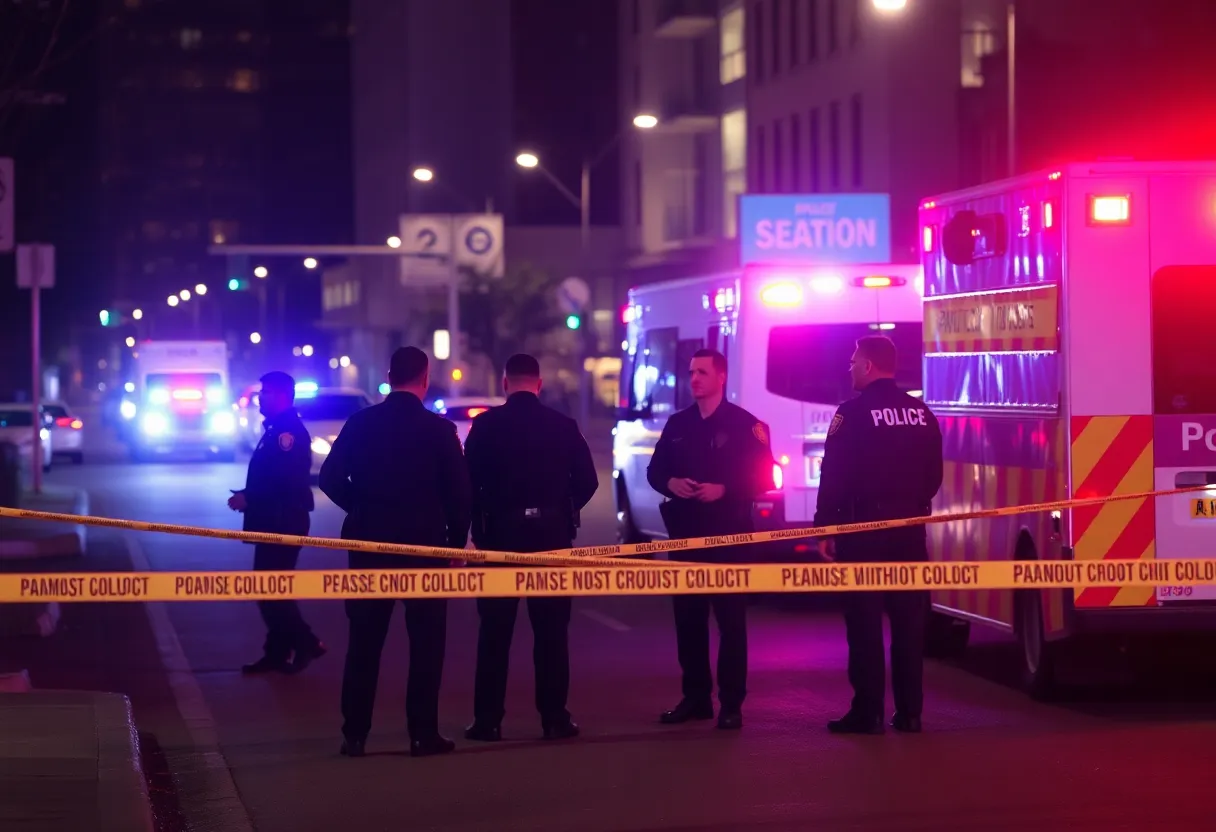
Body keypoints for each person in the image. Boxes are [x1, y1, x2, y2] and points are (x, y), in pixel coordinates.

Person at [318, 347, 472, 759]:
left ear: (389, 376)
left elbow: (330, 477)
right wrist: (455, 545)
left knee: (364, 642)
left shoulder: (361, 423)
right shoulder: (439, 431)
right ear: (424, 379)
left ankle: (355, 735)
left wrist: (362, 507)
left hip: (368, 545)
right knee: (426, 645)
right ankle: (422, 734)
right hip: (425, 548)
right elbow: (459, 496)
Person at [462, 353, 599, 743]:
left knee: (494, 636)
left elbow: (466, 484)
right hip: (551, 542)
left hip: (498, 543)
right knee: (552, 635)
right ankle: (554, 718)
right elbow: (588, 481)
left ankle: (487, 721)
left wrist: (479, 522)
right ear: (538, 385)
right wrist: (562, 509)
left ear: (505, 384)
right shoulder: (564, 426)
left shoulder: (485, 427)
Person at [814, 335, 944, 735]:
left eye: (853, 361)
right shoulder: (921, 413)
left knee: (865, 623)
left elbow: (833, 475)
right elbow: (934, 476)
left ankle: (868, 712)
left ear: (868, 366)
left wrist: (826, 526)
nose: (850, 367)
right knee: (908, 624)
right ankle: (910, 714)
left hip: (863, 532)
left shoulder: (851, 414)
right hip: (909, 532)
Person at [645, 348, 774, 730]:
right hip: (685, 537)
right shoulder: (678, 424)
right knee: (689, 620)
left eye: (702, 372)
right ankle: (696, 697)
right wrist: (671, 482)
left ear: (721, 377)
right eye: (691, 372)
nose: (695, 379)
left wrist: (725, 489)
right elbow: (655, 471)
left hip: (729, 537)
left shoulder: (747, 425)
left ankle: (731, 703)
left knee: (731, 622)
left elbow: (765, 479)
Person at [227, 370, 325, 675]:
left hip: (283, 523)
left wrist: (250, 498)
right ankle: (277, 652)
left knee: (271, 590)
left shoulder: (288, 434)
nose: (260, 397)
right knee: (270, 589)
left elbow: (285, 481)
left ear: (283, 396)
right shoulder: (275, 430)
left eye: (266, 392)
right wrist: (247, 494)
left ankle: (307, 643)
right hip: (273, 519)